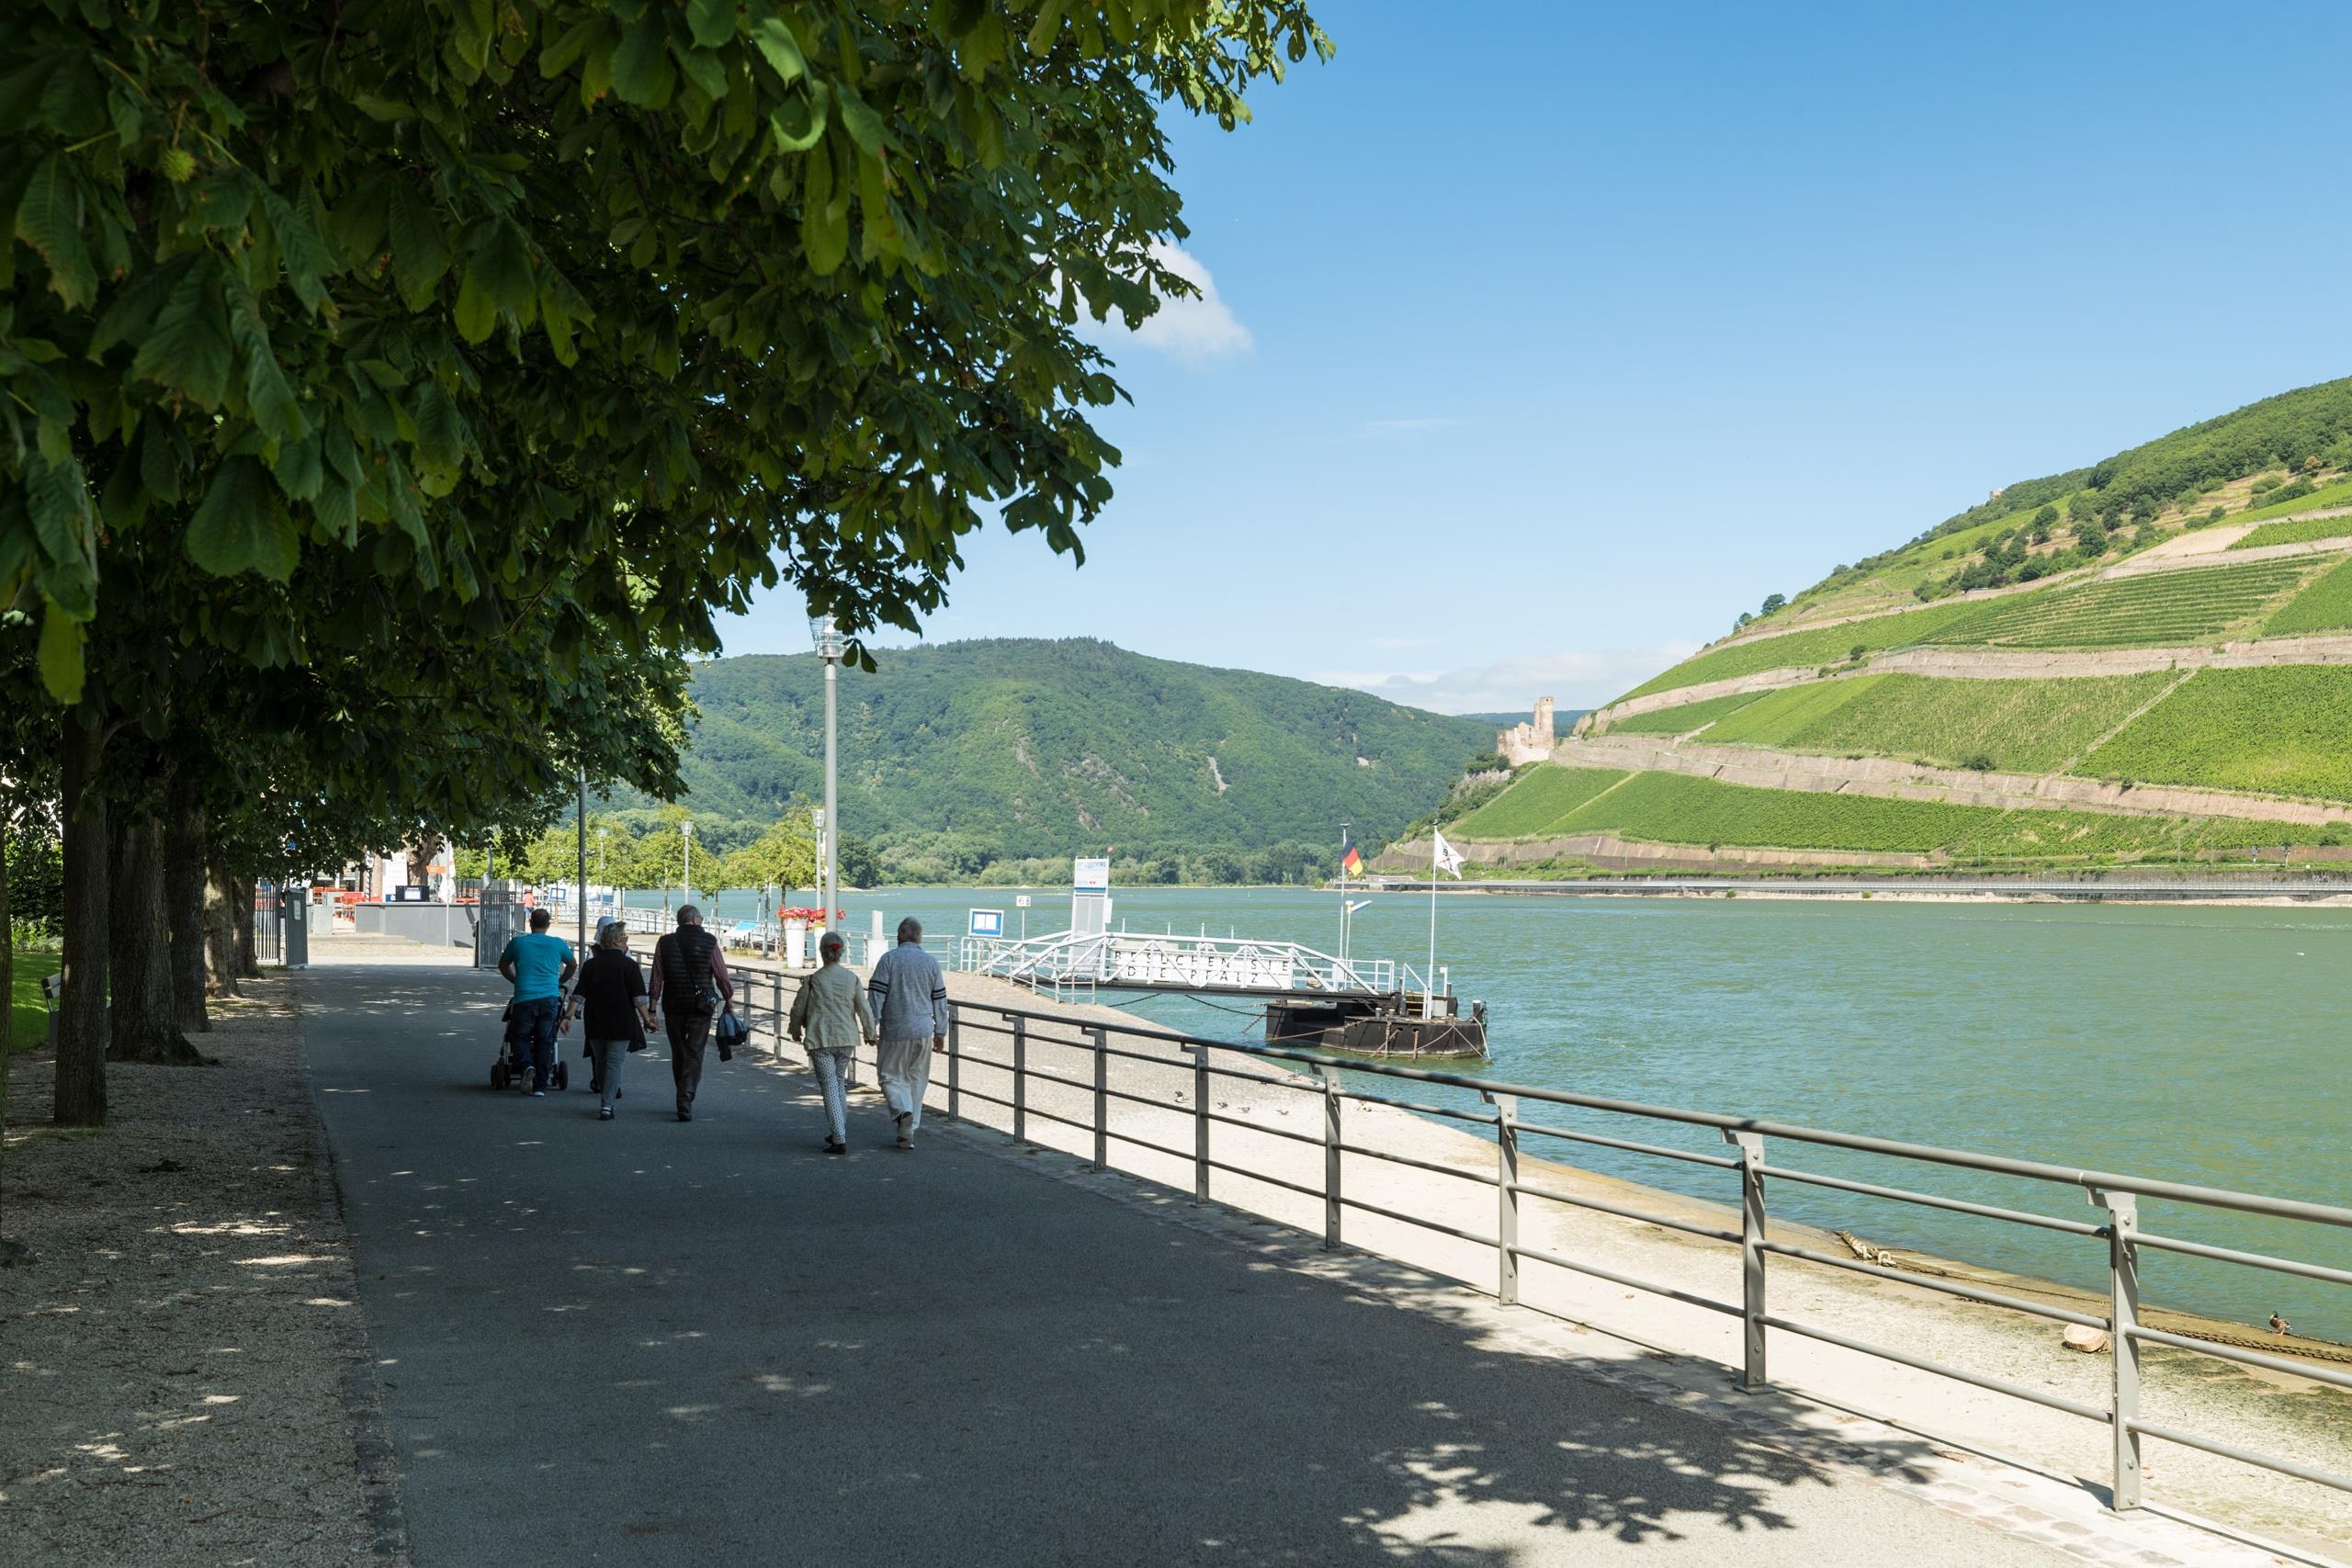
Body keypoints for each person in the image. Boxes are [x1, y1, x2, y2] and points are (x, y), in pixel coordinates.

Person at [788, 931, 876, 1154]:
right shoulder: (852, 978)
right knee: (838, 1083)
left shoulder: (814, 980)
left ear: (822, 952)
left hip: (821, 1039)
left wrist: (795, 1028)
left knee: (829, 1085)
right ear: (842, 952)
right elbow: (864, 1008)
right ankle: (839, 1130)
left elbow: (799, 1007)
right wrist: (869, 1033)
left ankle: (839, 1137)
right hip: (846, 1039)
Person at [866, 917, 950, 1150]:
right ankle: (908, 1132)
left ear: (899, 936)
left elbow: (876, 996)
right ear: (919, 937)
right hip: (923, 1030)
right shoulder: (931, 963)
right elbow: (940, 1000)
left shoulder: (888, 960)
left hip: (895, 1029)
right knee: (917, 1079)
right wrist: (941, 1031)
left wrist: (870, 1025)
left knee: (889, 1075)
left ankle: (902, 1113)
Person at [648, 905, 733, 1122]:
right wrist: (728, 998)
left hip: (673, 1004)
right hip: (700, 1007)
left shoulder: (664, 942)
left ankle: (682, 1096)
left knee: (679, 1052)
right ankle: (684, 1099)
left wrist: (652, 1007)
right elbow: (721, 974)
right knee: (695, 1053)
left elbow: (657, 975)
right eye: (701, 917)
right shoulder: (709, 942)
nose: (702, 921)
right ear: (695, 919)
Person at [566, 921, 653, 1120]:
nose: (627, 940)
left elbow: (578, 995)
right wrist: (647, 1019)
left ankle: (604, 1094)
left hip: (595, 1020)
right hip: (621, 1021)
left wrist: (567, 1016)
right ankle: (607, 1106)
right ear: (616, 940)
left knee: (601, 1061)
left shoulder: (590, 965)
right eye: (624, 937)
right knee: (614, 1063)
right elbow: (639, 999)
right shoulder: (630, 966)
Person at [497, 908, 576, 1098]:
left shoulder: (517, 943)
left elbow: (503, 965)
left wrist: (516, 980)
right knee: (545, 1040)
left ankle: (526, 1065)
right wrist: (560, 982)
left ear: (530, 923)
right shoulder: (558, 944)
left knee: (518, 1036)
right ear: (548, 925)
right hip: (550, 998)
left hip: (524, 997)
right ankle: (540, 1086)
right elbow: (573, 964)